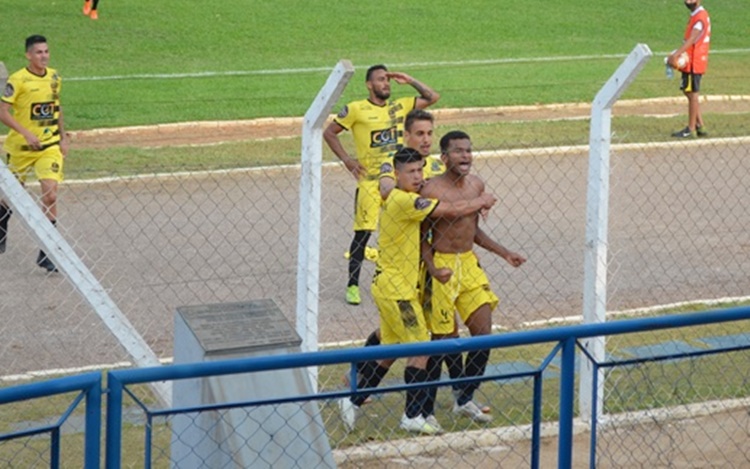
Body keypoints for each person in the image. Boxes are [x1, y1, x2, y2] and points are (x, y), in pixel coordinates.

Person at [338, 147, 497, 435]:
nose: (417, 176)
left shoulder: (401, 194)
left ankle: (353, 399)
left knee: (390, 349)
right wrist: (482, 200)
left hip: (395, 287)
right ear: (398, 175)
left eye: (420, 170)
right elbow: (452, 209)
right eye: (410, 172)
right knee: (422, 343)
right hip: (396, 290)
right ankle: (412, 415)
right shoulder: (404, 201)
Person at [420, 130, 526, 422]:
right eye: (458, 151)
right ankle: (425, 410)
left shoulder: (477, 185)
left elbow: (472, 230)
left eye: (468, 150)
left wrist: (504, 253)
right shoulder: (430, 190)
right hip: (441, 267)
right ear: (443, 158)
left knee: (483, 335)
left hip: (469, 265)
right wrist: (432, 268)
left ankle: (464, 398)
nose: (465, 156)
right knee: (441, 341)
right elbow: (422, 236)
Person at [324, 64, 440, 305]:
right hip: (371, 182)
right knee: (363, 233)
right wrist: (347, 159)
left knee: (412, 227)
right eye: (380, 80)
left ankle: (419, 279)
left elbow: (432, 97)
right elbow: (329, 132)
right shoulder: (356, 109)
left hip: (401, 181)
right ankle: (353, 285)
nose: (386, 84)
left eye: (387, 80)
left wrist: (409, 79)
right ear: (369, 84)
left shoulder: (400, 107)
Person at [0, 35, 69, 272]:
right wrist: (26, 133)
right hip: (20, 148)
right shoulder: (17, 80)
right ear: (28, 55)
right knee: (10, 197)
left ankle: (47, 252)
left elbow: (56, 107)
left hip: (48, 146)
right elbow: (3, 112)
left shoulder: (54, 77)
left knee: (50, 195)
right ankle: (1, 225)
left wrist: (63, 137)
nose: (44, 56)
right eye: (39, 52)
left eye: (46, 51)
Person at [668, 0, 711, 138]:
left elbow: (692, 39)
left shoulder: (699, 17)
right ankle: (700, 125)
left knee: (692, 94)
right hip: (693, 60)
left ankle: (691, 128)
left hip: (694, 61)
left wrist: (676, 54)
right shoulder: (697, 15)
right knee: (688, 91)